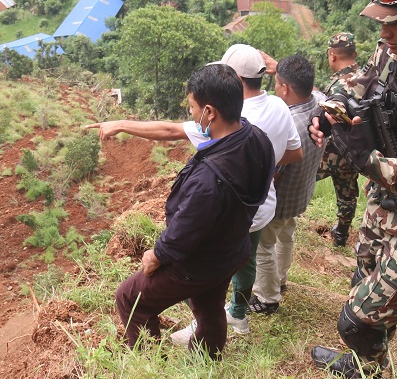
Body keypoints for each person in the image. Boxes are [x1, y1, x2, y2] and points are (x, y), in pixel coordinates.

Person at [87, 44, 301, 338]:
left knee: (129, 297)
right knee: (210, 306)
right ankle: (207, 357)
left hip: (201, 260)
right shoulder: (258, 138)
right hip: (233, 248)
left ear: (210, 112)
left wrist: (156, 255)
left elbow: (185, 230)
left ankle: (147, 360)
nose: (191, 112)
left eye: (192, 108)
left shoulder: (208, 178)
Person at [309, 0, 397, 379]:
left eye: (394, 24)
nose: (383, 34)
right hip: (382, 201)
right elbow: (365, 79)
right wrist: (330, 112)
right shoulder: (390, 51)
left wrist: (367, 161)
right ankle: (361, 367)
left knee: (359, 317)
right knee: (361, 278)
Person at [250, 55, 325, 313]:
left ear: (285, 88)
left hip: (280, 198)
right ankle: (280, 280)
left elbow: (275, 172)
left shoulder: (288, 122)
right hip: (300, 193)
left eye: (277, 83)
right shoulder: (319, 108)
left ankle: (267, 297)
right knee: (286, 236)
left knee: (264, 247)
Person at [317, 32, 361, 246]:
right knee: (347, 193)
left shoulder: (338, 86)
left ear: (332, 55)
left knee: (299, 176)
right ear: (355, 53)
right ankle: (342, 234)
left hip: (329, 152)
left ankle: (282, 217)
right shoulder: (365, 78)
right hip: (353, 151)